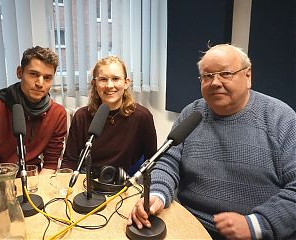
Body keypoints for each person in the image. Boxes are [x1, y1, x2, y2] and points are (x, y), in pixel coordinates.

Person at [127, 44, 296, 239]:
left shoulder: (281, 119)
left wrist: (258, 223)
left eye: (225, 74)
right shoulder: (192, 114)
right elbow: (168, 161)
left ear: (248, 76)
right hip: (189, 226)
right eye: (207, 76)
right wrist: (157, 194)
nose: (215, 82)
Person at [0, 46, 67, 184]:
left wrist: (35, 191)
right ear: (19, 72)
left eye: (47, 78)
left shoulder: (57, 114)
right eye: (33, 74)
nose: (40, 83)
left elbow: (50, 164)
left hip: (33, 181)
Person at [62, 55, 157, 177]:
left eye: (116, 78)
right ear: (94, 84)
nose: (109, 85)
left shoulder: (142, 117)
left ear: (126, 83)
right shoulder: (81, 116)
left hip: (125, 185)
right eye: (103, 79)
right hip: (87, 183)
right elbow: (69, 161)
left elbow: (153, 162)